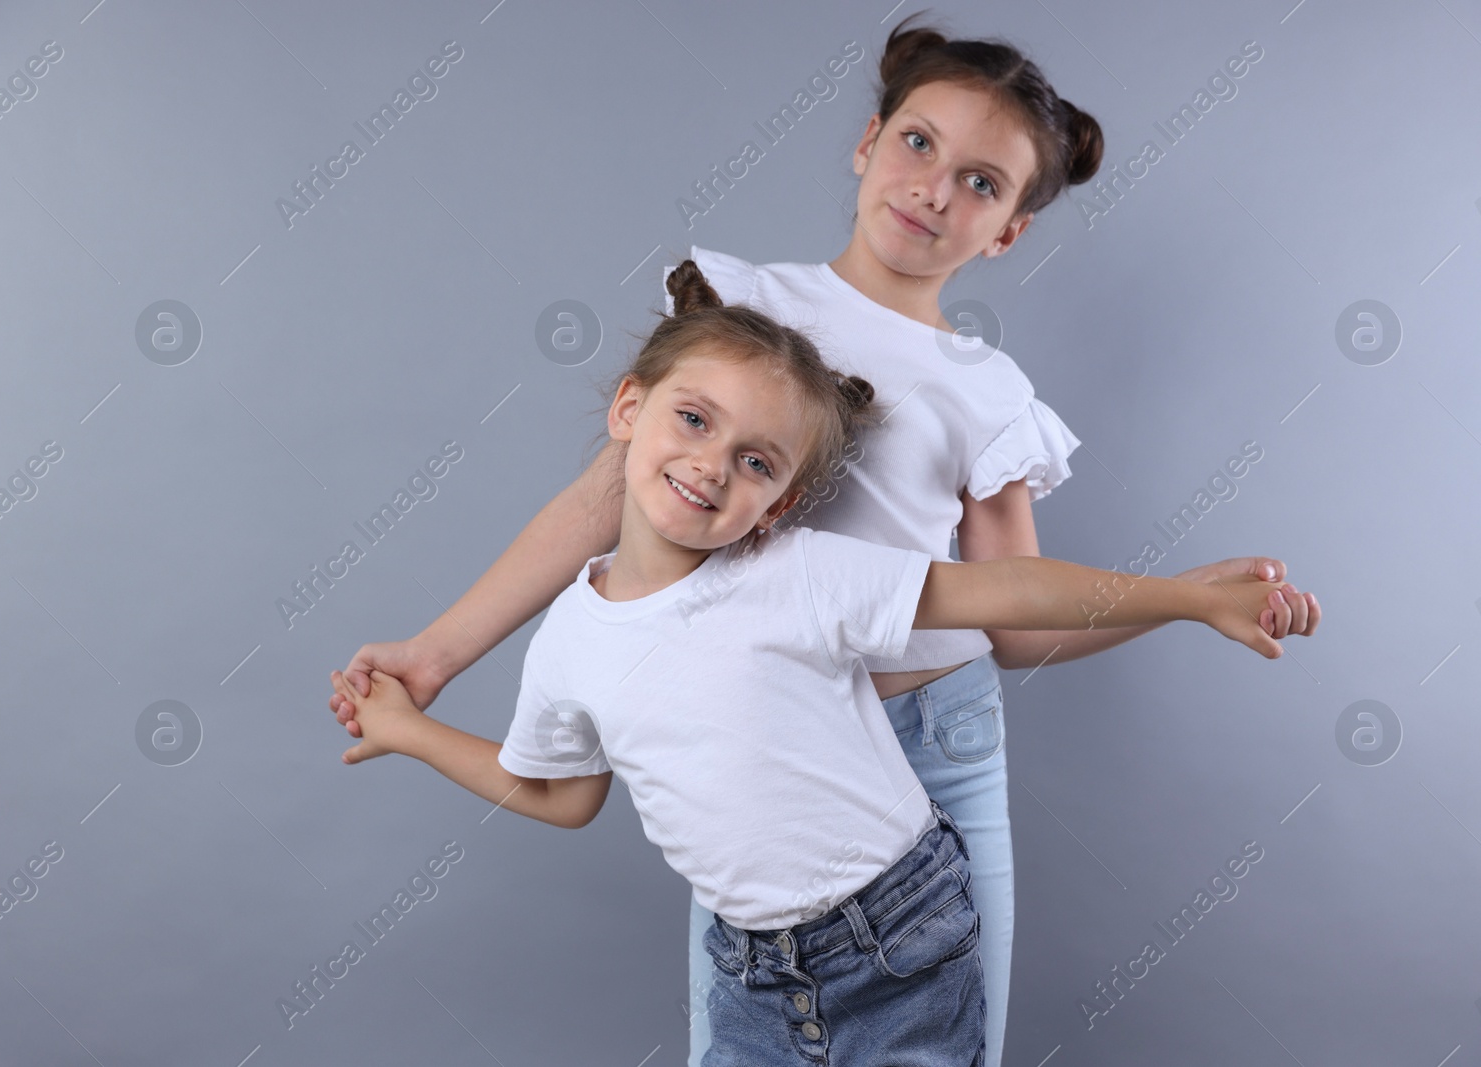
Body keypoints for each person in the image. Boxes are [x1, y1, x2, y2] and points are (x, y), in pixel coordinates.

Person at [329, 16, 1321, 1065]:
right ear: (867, 141)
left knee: (944, 1033)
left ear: (1008, 232)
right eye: (919, 143)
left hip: (932, 749)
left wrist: (1178, 596)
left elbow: (1014, 615)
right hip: (758, 734)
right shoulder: (746, 303)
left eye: (984, 184)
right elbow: (598, 503)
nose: (936, 189)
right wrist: (436, 654)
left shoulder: (987, 391)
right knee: (752, 1023)